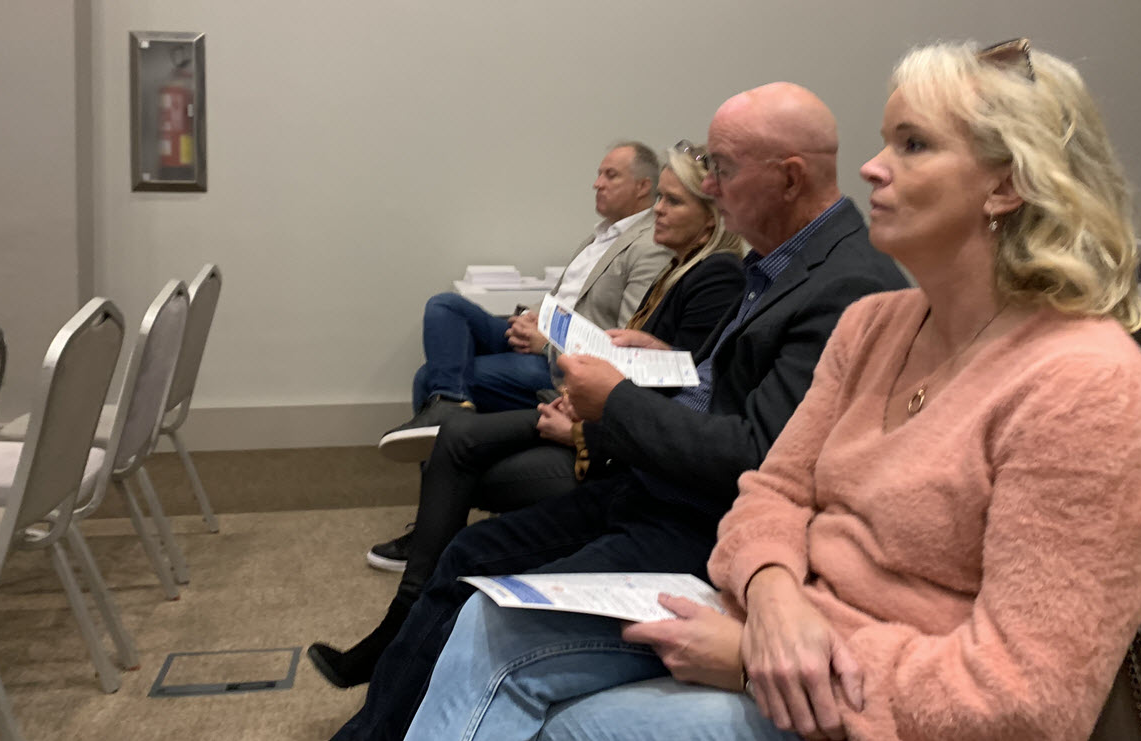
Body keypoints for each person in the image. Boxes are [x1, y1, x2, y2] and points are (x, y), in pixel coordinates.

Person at [404, 39, 1141, 741]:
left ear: (1006, 185)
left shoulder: (1089, 392)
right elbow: (772, 490)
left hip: (860, 691)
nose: (872, 168)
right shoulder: (879, 324)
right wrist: (773, 593)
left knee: (569, 725)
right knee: (489, 626)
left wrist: (757, 661)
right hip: (776, 618)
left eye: (913, 144)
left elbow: (1024, 703)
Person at [327, 83, 906, 741]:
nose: (710, 186)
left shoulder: (845, 284)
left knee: (486, 617)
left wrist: (615, 401)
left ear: (790, 178)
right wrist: (668, 362)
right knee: (468, 554)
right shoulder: (781, 262)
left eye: (721, 168)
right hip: (656, 489)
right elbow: (736, 391)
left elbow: (759, 456)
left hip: (704, 524)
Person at [309, 143, 747, 688]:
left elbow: (679, 397)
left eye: (672, 201)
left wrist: (583, 420)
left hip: (614, 445)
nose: (657, 209)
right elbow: (661, 372)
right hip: (600, 413)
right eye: (659, 198)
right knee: (451, 410)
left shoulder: (714, 277)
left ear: (710, 219)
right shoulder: (678, 270)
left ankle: (403, 617)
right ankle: (406, 610)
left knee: (458, 447)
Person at [379, 142, 671, 461]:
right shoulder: (600, 235)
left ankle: (448, 424)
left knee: (428, 377)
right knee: (445, 306)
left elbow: (625, 341)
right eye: (599, 174)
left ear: (643, 186)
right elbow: (562, 296)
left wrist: (547, 345)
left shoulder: (649, 247)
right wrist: (529, 317)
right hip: (540, 331)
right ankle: (451, 404)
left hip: (559, 362)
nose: (597, 183)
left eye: (610, 175)